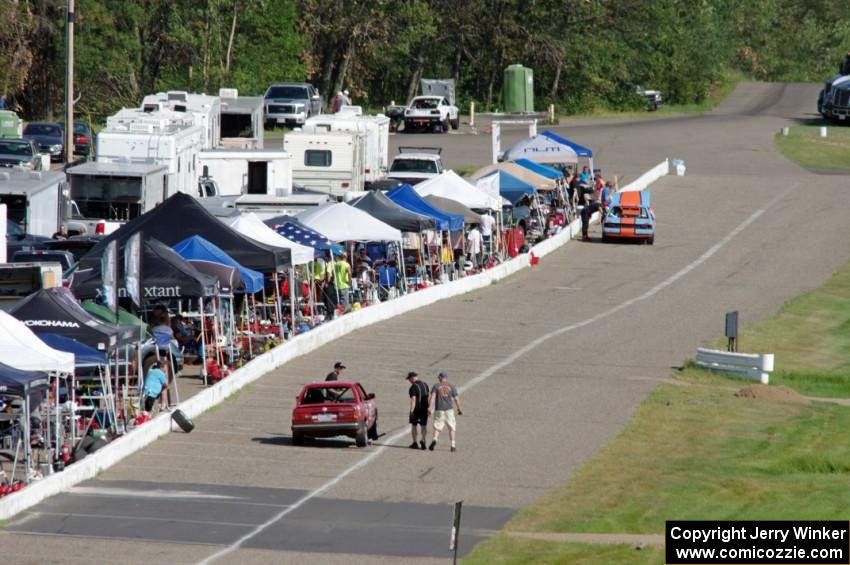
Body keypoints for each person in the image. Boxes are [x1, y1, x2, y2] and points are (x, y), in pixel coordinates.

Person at [428, 371, 463, 452]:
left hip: (439, 409)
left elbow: (432, 397)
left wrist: (430, 408)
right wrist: (459, 409)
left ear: (440, 377)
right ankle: (453, 445)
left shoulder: (436, 386)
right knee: (451, 427)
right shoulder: (451, 386)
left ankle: (435, 439)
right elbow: (456, 399)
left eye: (438, 377)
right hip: (449, 409)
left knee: (437, 426)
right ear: (446, 378)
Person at [406, 371, 429, 450]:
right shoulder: (425, 385)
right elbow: (427, 396)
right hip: (425, 408)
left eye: (409, 379)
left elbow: (413, 399)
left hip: (417, 410)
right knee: (423, 425)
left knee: (414, 425)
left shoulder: (413, 387)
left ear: (412, 378)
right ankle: (423, 440)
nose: (409, 381)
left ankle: (415, 442)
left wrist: (411, 411)